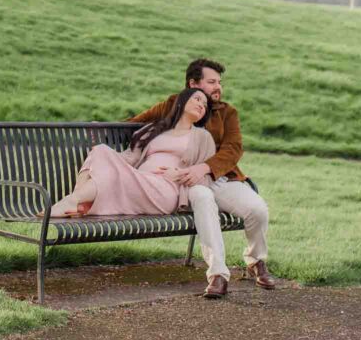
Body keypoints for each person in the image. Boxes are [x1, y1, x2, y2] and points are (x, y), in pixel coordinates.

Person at [130, 57, 275, 298]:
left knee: (257, 209)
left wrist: (205, 167)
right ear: (193, 84)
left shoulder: (227, 112)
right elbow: (135, 124)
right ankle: (218, 275)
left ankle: (255, 261)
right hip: (183, 182)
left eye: (220, 82)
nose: (218, 87)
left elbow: (233, 148)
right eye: (211, 82)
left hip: (219, 177)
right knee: (203, 199)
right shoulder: (174, 104)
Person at [49, 88, 215, 219]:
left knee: (109, 165)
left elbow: (206, 176)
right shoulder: (154, 129)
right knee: (101, 150)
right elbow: (128, 158)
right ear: (181, 101)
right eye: (197, 99)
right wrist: (103, 153)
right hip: (136, 179)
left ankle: (73, 200)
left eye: (205, 104)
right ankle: (76, 197)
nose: (202, 105)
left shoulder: (203, 137)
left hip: (165, 190)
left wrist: (179, 175)